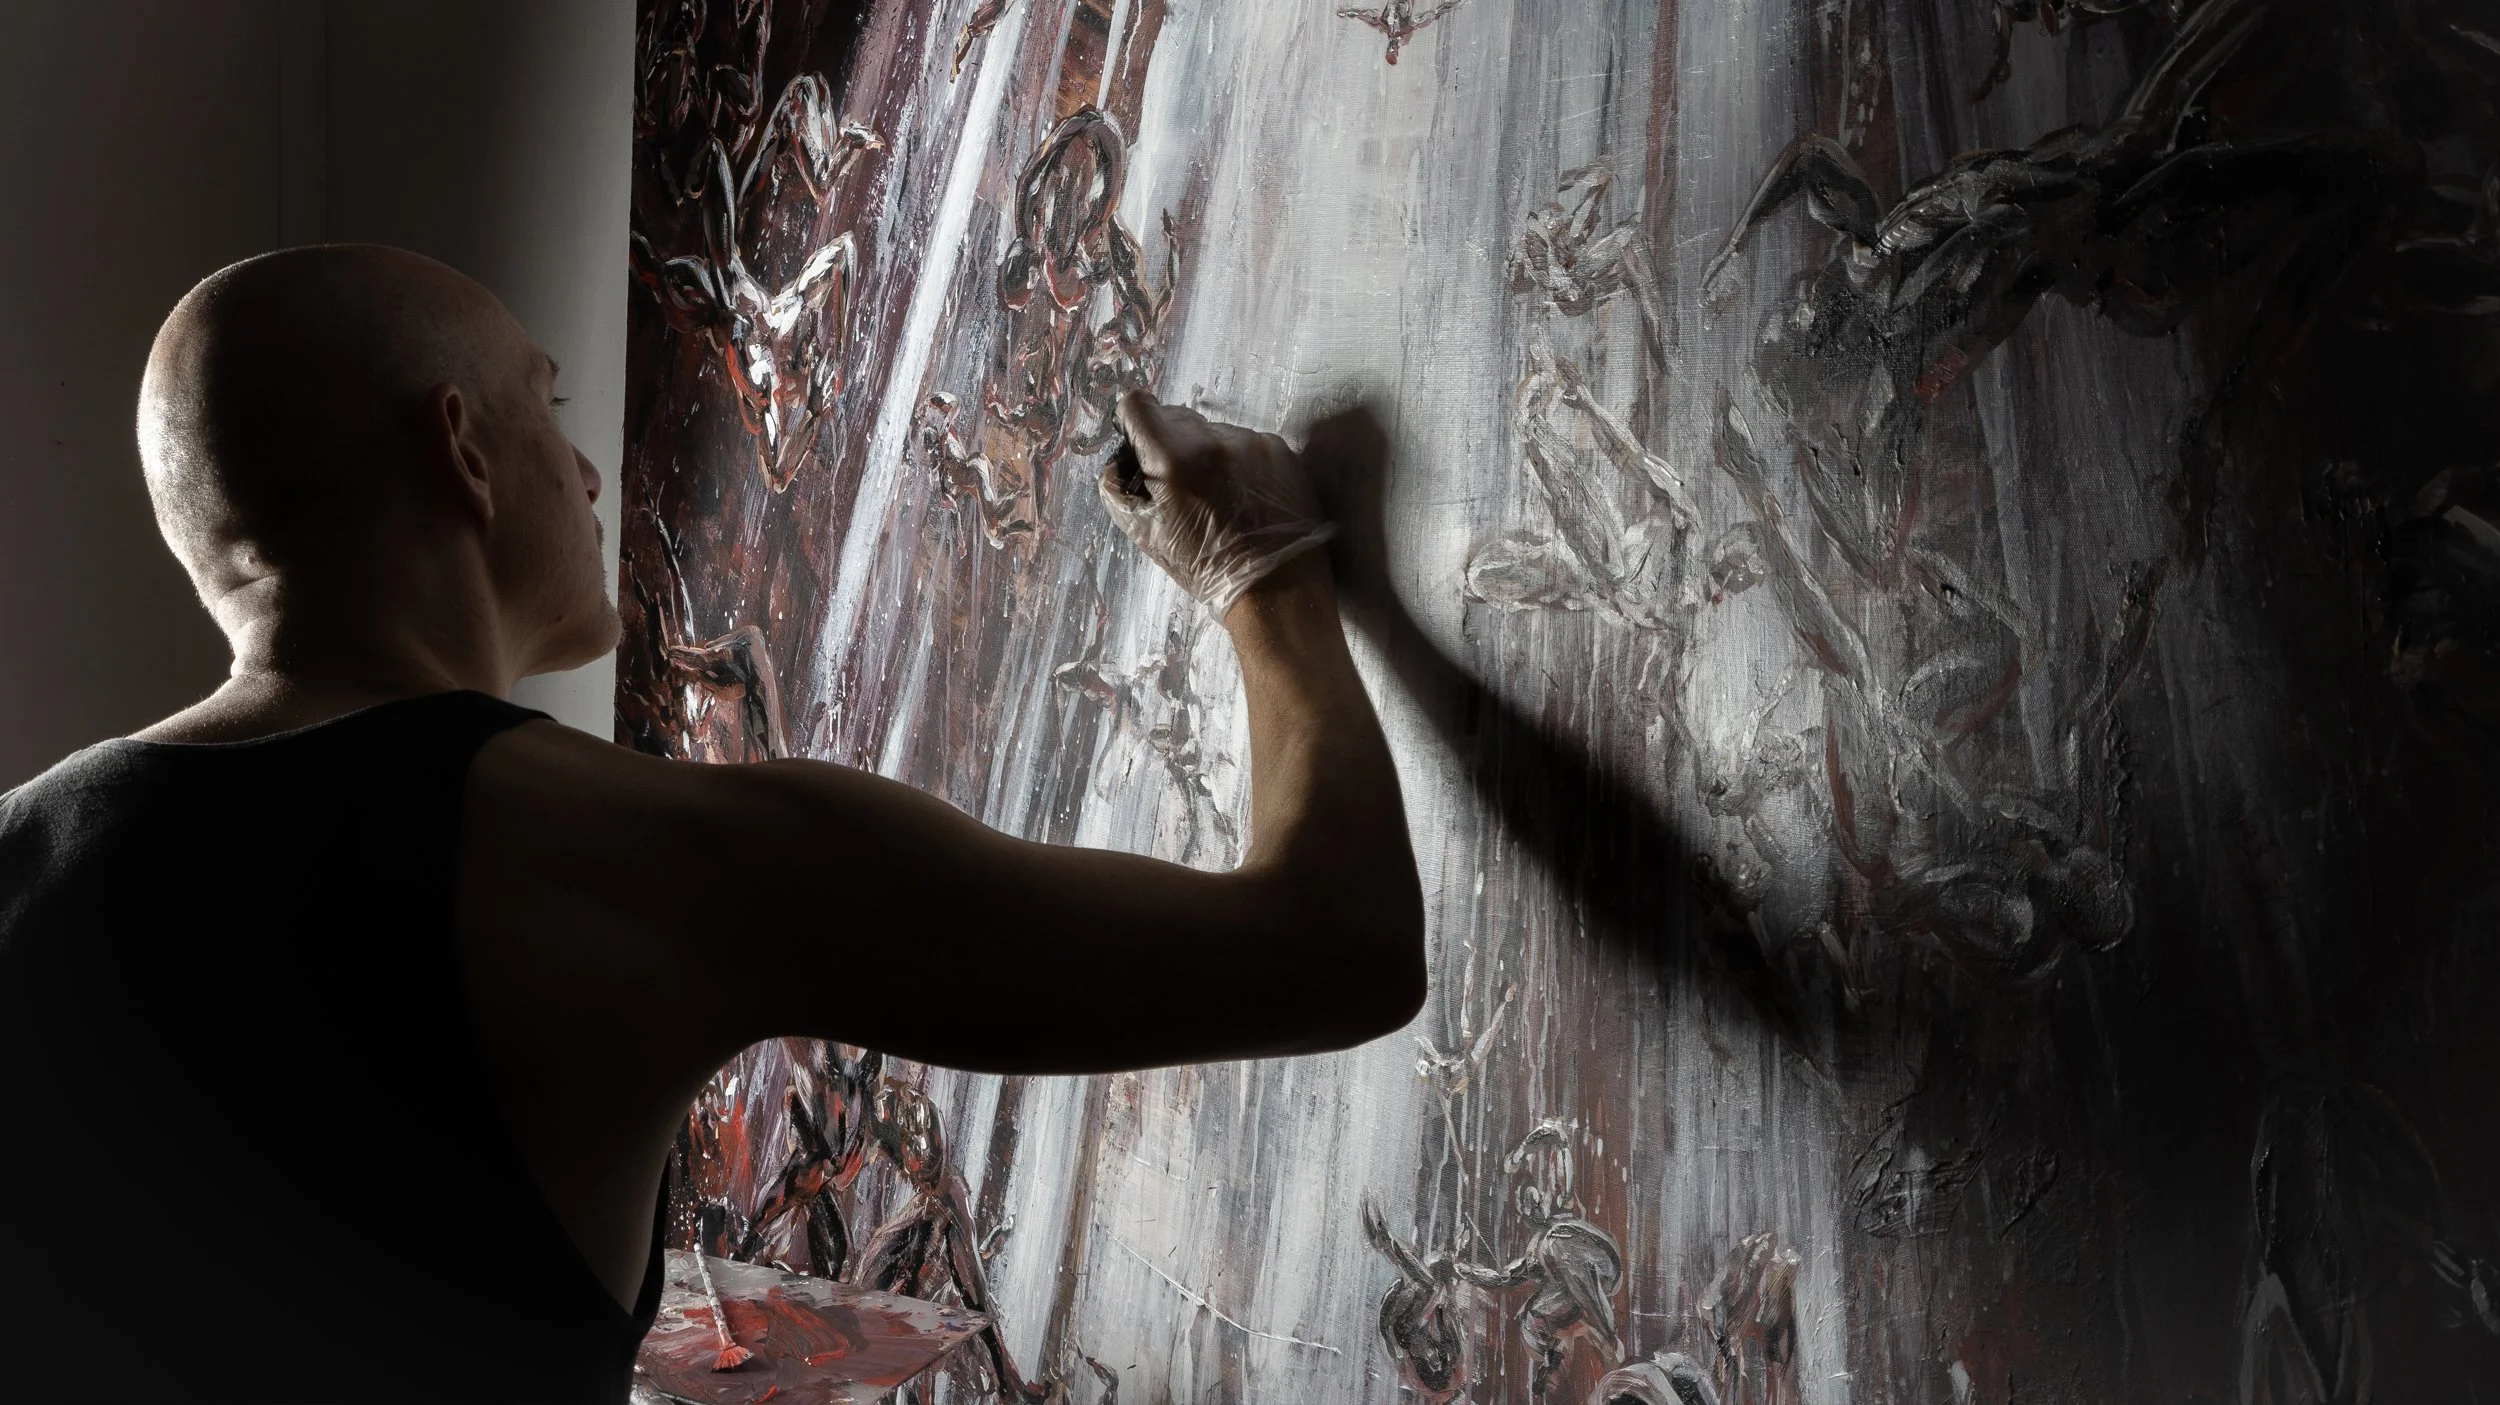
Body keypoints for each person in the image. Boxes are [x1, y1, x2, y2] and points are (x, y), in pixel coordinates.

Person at [0, 244, 1425, 1402]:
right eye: (550, 406)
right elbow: (1332, 948)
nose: (587, 473)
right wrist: (1261, 570)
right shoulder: (629, 858)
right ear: (463, 451)